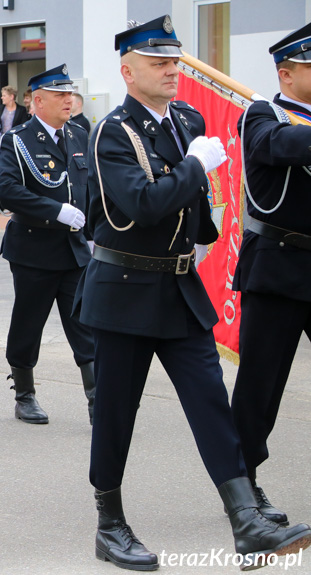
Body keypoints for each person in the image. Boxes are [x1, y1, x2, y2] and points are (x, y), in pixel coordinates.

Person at [76, 17, 311, 570]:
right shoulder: (112, 130)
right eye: (159, 63)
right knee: (116, 413)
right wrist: (195, 165)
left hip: (178, 285)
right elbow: (143, 203)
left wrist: (202, 229)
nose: (171, 71)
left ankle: (245, 518)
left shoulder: (187, 117)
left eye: (175, 61)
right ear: (127, 71)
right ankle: (110, 522)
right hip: (125, 288)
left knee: (211, 403)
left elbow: (193, 208)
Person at [231, 21, 311, 530]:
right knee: (261, 385)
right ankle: (244, 487)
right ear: (287, 72)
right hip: (278, 266)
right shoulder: (264, 113)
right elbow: (278, 147)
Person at [0, 64, 95, 425]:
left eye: (70, 94)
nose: (69, 100)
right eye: (60, 95)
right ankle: (24, 394)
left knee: (85, 322)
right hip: (33, 248)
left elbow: (92, 190)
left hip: (75, 249)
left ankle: (97, 398)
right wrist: (56, 211)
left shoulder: (80, 135)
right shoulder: (17, 139)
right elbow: (6, 191)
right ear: (38, 101)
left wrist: (96, 230)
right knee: (29, 320)